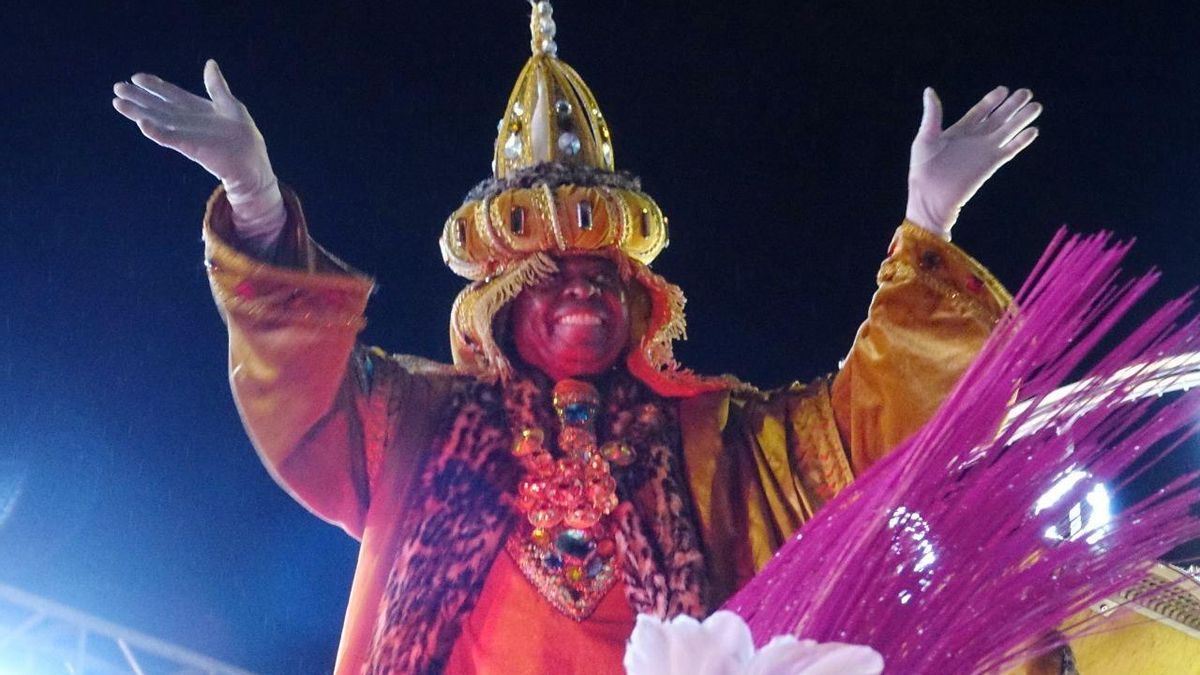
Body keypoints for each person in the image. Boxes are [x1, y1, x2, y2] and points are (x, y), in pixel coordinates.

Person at [113, 3, 1041, 673]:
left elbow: (866, 434)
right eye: (556, 272)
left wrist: (931, 214)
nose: (584, 289)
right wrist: (257, 200)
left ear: (641, 295)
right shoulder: (420, 424)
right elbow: (302, 391)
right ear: (505, 298)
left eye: (605, 272)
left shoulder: (715, 441)